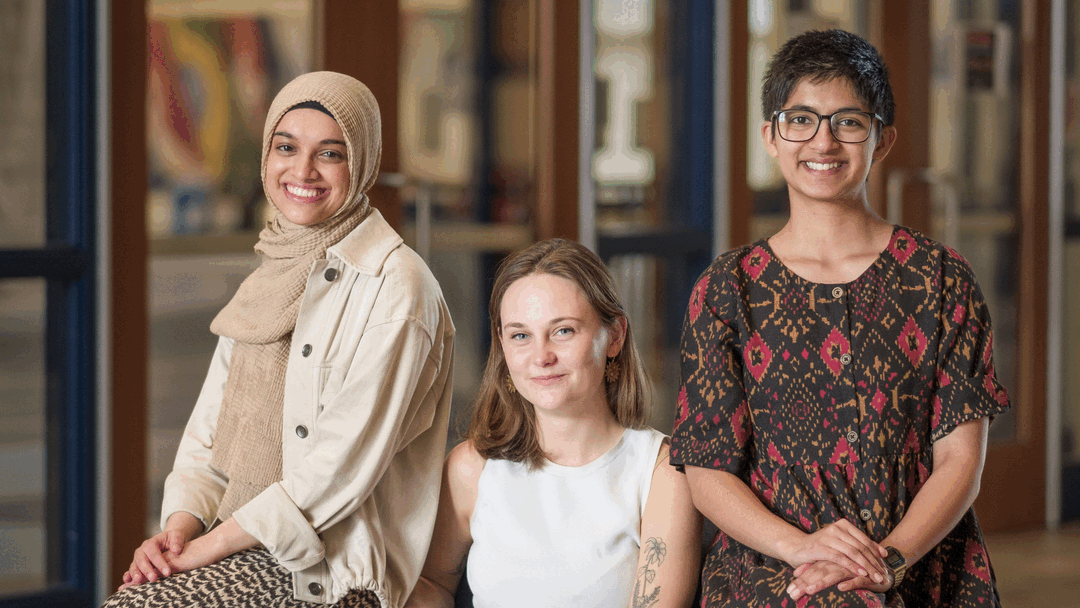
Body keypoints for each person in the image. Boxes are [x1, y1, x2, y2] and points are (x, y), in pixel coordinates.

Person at [670, 29, 1010, 607]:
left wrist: (888, 561)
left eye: (849, 121)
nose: (823, 141)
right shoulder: (727, 289)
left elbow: (960, 459)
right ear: (770, 138)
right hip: (772, 571)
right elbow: (708, 472)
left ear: (882, 140)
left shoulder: (941, 279)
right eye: (800, 119)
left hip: (921, 567)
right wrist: (802, 550)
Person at [104, 71, 455, 608]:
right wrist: (177, 531)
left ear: (361, 162)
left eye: (331, 153)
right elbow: (209, 436)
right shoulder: (271, 271)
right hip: (236, 539)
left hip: (330, 566)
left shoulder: (399, 287)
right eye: (286, 147)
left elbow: (338, 470)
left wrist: (205, 550)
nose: (303, 170)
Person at [406, 239, 702, 608]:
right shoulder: (470, 468)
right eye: (520, 336)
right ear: (502, 345)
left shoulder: (661, 474)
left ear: (614, 336)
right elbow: (432, 584)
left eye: (563, 331)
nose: (541, 356)